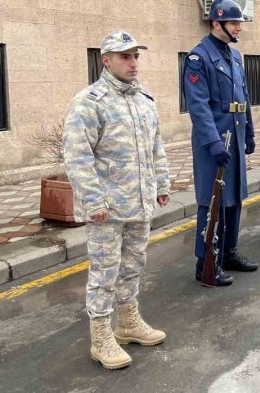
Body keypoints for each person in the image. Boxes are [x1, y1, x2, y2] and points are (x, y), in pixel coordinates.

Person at [63, 30, 169, 370]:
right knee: (104, 271)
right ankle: (101, 336)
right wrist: (93, 202)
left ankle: (128, 322)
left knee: (133, 265)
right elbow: (77, 156)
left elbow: (156, 147)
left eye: (136, 56)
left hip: (139, 202)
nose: (133, 62)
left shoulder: (144, 99)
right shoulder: (89, 102)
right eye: (125, 56)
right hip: (106, 210)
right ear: (106, 60)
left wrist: (161, 183)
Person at [183, 0, 258, 287]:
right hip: (213, 141)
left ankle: (228, 251)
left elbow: (244, 98)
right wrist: (213, 142)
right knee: (211, 199)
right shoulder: (198, 58)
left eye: (240, 22)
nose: (239, 27)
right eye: (234, 23)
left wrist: (249, 132)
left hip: (234, 136)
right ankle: (205, 260)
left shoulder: (235, 56)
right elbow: (198, 106)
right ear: (216, 23)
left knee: (234, 196)